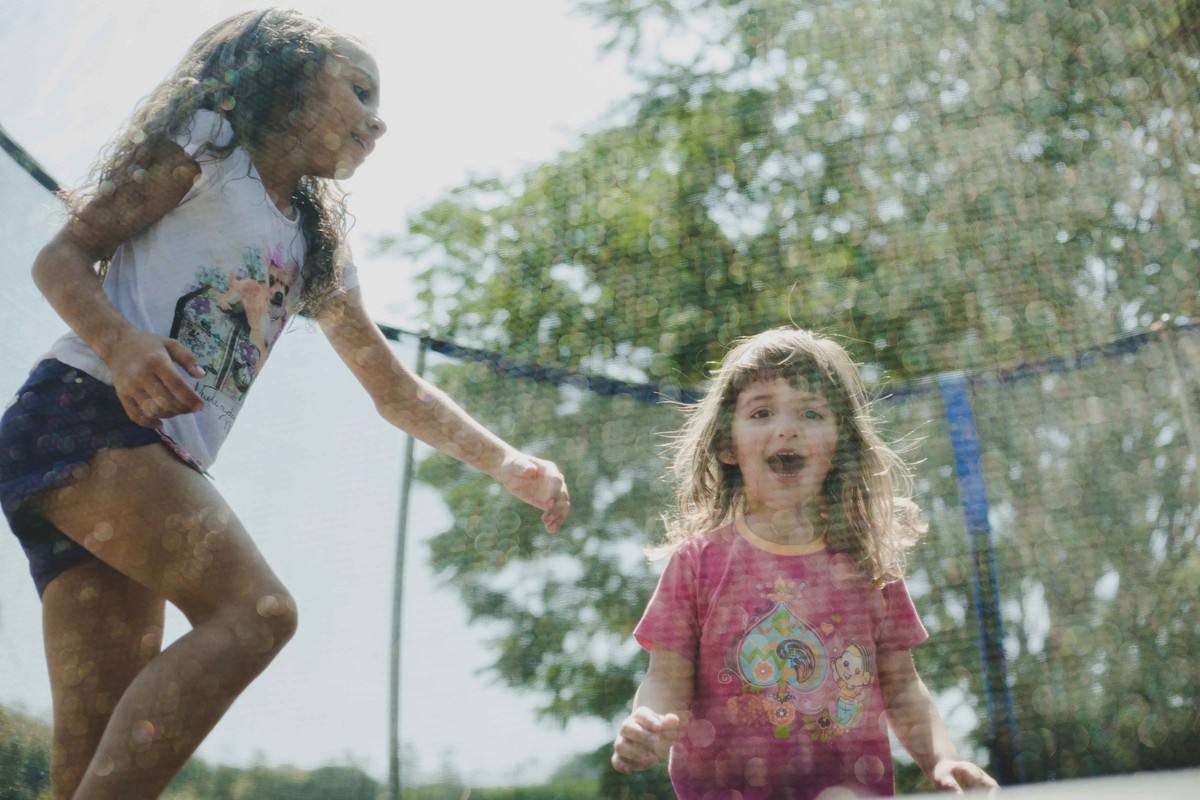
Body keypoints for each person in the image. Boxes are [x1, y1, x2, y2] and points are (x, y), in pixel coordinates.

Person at [0, 9, 570, 799]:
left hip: (134, 461)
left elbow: (393, 388)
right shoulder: (206, 147)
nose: (378, 120)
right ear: (288, 78)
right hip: (84, 413)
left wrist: (507, 463)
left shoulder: (313, 245)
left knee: (91, 761)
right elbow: (62, 257)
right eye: (359, 90)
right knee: (258, 613)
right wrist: (123, 344)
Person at [611, 328, 998, 799]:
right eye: (761, 412)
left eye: (811, 412)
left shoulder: (869, 564)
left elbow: (903, 688)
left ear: (840, 446)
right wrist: (647, 723)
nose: (786, 428)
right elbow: (665, 680)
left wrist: (944, 759)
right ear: (728, 445)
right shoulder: (698, 564)